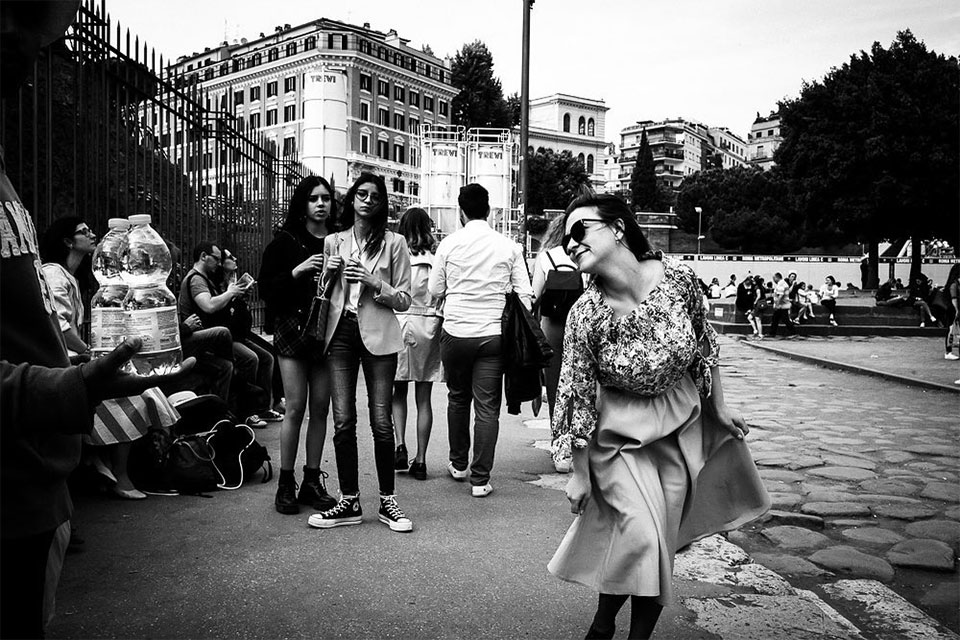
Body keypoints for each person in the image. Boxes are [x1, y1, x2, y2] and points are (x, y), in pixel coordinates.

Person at [548, 193, 769, 640]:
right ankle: (603, 625)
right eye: (564, 238)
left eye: (579, 231)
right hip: (618, 439)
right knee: (642, 534)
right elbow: (573, 394)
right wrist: (578, 472)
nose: (570, 244)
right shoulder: (584, 314)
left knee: (655, 541)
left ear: (618, 228)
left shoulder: (680, 280)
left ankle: (614, 628)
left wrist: (719, 409)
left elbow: (704, 348)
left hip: (678, 431)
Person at [39, 217, 180, 500]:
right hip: (63, 361)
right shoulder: (54, 273)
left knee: (141, 386)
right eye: (83, 232)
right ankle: (122, 475)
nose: (92, 234)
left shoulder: (72, 276)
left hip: (74, 356)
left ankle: (101, 461)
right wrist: (88, 352)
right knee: (133, 394)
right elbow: (59, 325)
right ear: (68, 241)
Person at [308, 173, 413, 533]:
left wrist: (373, 282)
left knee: (381, 420)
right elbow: (323, 293)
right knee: (343, 420)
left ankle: (388, 500)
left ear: (382, 203)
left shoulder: (394, 242)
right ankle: (349, 500)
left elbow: (405, 298)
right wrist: (329, 274)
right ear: (351, 199)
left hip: (379, 335)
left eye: (374, 196)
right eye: (361, 194)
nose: (367, 200)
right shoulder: (334, 241)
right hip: (340, 332)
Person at [428, 183, 533, 499]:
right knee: (487, 406)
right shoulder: (509, 246)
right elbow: (525, 295)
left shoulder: (448, 245)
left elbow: (434, 290)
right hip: (493, 335)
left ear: (460, 212)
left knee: (458, 397)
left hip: (456, 332)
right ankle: (480, 480)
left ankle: (458, 464)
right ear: (489, 210)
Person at [258, 176, 340, 515]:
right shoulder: (285, 241)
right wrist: (299, 270)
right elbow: (265, 289)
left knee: (320, 409)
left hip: (327, 332)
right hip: (292, 329)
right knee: (295, 407)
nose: (321, 204)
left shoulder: (339, 242)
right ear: (302, 204)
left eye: (326, 198)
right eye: (313, 198)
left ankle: (311, 480)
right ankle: (285, 483)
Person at [178, 241, 266, 427]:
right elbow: (208, 306)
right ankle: (241, 395)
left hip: (207, 335)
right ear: (203, 256)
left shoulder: (208, 278)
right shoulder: (196, 279)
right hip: (192, 338)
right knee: (223, 334)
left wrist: (235, 296)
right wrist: (230, 293)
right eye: (216, 259)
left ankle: (221, 416)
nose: (219, 263)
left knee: (227, 365)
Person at [391, 207, 443, 480]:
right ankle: (421, 460)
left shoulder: (396, 257)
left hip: (399, 323)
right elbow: (440, 294)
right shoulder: (434, 260)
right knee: (424, 397)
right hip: (427, 326)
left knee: (397, 392)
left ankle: (399, 444)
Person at [531, 215, 583, 473]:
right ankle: (581, 442)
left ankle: (560, 447)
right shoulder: (583, 254)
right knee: (580, 384)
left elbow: (535, 296)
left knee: (555, 387)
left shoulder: (546, 257)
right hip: (579, 324)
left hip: (552, 326)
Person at [216, 248, 281, 423]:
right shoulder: (218, 284)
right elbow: (220, 314)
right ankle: (246, 410)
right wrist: (231, 296)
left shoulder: (233, 281)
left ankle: (264, 407)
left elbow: (239, 318)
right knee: (251, 358)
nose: (235, 258)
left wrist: (242, 300)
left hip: (239, 334)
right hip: (226, 337)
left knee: (268, 356)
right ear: (221, 263)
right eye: (230, 257)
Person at [769, 272, 797, 337]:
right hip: (782, 305)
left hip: (782, 305)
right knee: (775, 319)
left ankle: (793, 333)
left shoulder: (781, 284)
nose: (773, 280)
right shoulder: (783, 283)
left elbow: (780, 295)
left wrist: (777, 305)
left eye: (774, 278)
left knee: (784, 320)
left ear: (777, 277)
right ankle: (772, 333)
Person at [942, 265, 959, 360]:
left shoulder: (952, 284)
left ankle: (949, 350)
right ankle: (948, 351)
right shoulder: (954, 285)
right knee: (951, 329)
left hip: (952, 308)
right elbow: (954, 298)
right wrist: (957, 310)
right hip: (953, 309)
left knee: (952, 329)